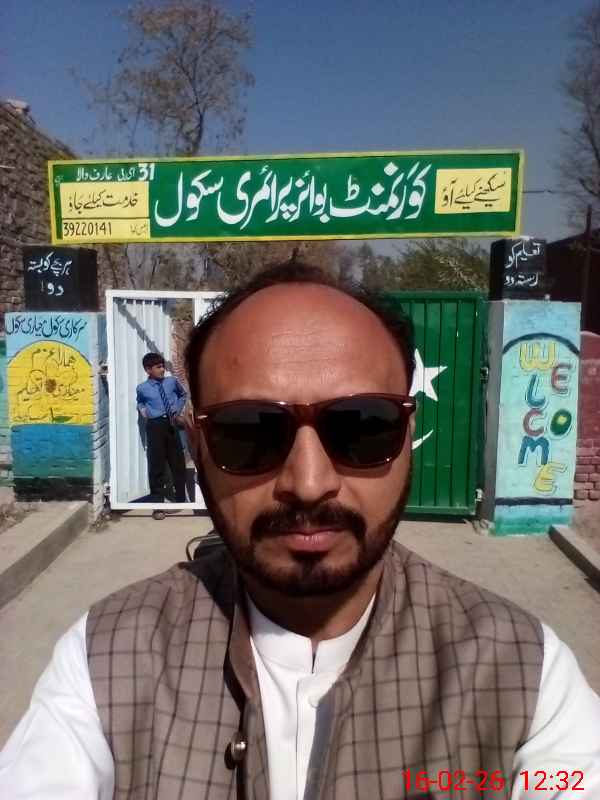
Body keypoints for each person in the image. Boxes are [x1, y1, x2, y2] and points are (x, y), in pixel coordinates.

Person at [1, 262, 599, 799]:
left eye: (362, 425)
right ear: (199, 448)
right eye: (249, 431)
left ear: (406, 436)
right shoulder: (107, 661)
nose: (309, 484)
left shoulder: (522, 674)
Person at [136, 352, 188, 519]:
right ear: (148, 369)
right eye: (158, 367)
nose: (162, 369)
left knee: (177, 463)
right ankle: (157, 504)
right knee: (156, 466)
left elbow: (183, 394)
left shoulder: (171, 382)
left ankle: (180, 498)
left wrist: (177, 410)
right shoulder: (142, 388)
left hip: (172, 424)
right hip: (155, 426)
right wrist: (144, 412)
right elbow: (140, 402)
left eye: (163, 366)